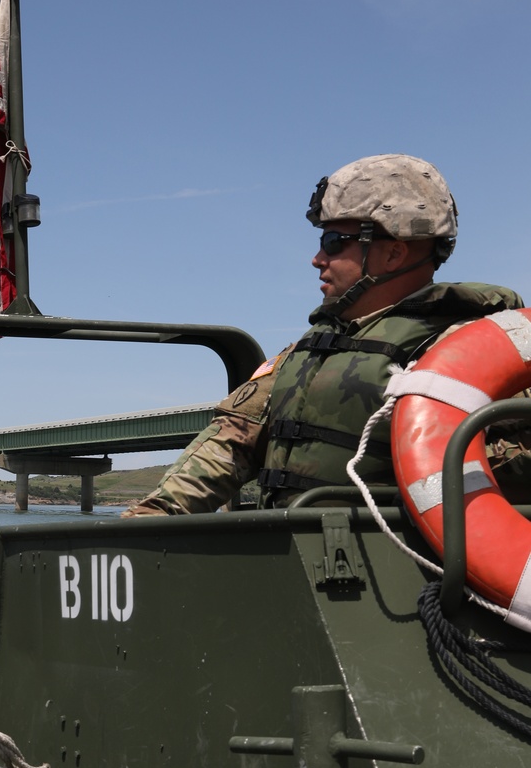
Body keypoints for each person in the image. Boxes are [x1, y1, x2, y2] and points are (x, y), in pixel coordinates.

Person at [124, 154, 529, 515]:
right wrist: (155, 515)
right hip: (291, 556)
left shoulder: (473, 351)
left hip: (399, 568)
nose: (317, 259)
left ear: (393, 252)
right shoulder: (307, 350)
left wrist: (422, 446)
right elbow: (231, 442)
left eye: (334, 242)